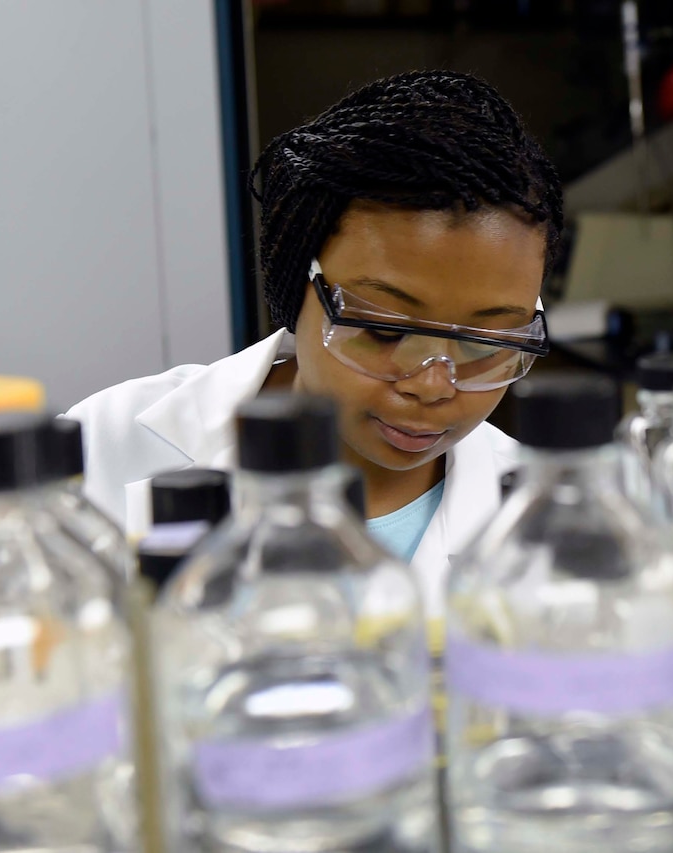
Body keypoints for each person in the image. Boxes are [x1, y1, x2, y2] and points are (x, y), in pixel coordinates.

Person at [67, 70, 563, 613]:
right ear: (294, 279)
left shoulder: (548, 520)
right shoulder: (101, 450)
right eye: (385, 330)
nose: (431, 384)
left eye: (483, 342)